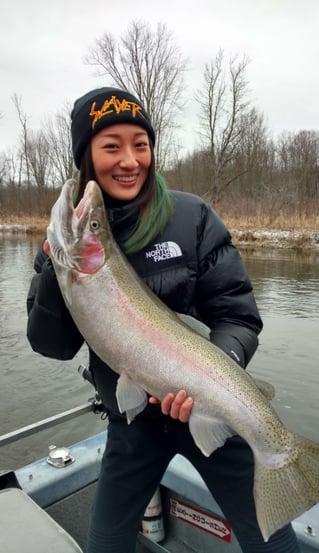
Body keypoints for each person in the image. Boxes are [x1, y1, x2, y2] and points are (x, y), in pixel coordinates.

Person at [26, 87, 300, 553]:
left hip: (212, 408)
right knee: (105, 545)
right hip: (132, 425)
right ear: (86, 156)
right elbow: (51, 345)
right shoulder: (65, 253)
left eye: (141, 143)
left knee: (274, 544)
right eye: (111, 146)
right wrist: (56, 273)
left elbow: (237, 315)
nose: (130, 159)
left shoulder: (192, 216)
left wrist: (217, 369)